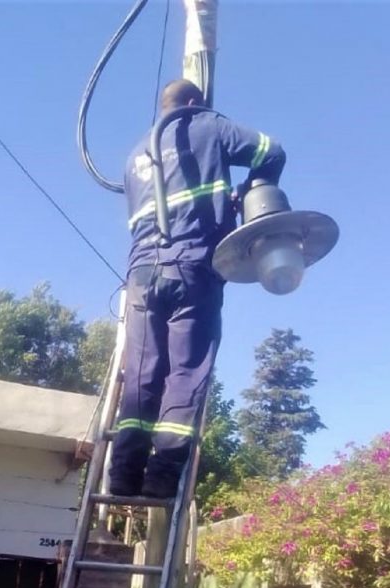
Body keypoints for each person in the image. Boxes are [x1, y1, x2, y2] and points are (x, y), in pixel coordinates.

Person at [109, 79, 286, 499]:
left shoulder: (137, 154)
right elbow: (271, 151)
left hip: (140, 274)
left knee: (141, 375)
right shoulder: (208, 124)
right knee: (186, 371)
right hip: (192, 267)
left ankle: (122, 475)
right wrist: (253, 190)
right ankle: (160, 478)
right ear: (194, 103)